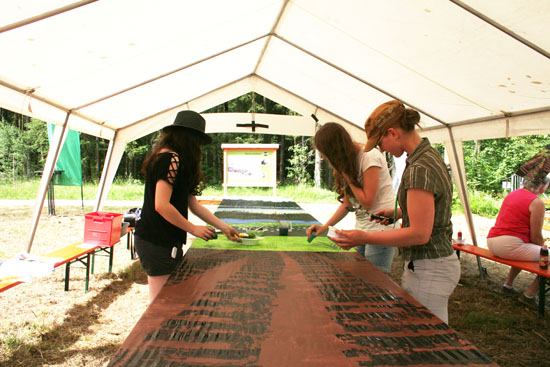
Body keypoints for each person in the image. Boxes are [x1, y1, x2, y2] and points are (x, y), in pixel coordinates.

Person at [331, 100, 460, 324]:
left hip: (430, 267)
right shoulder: (425, 157)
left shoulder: (420, 168)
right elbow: (432, 207)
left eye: (381, 141)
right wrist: (399, 213)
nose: (381, 148)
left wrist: (364, 236)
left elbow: (420, 234)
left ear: (393, 133)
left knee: (427, 340)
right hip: (430, 264)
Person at [134, 110, 240, 302]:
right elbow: (161, 205)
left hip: (162, 240)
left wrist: (223, 227)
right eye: (197, 141)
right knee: (162, 302)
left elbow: (193, 204)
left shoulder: (173, 160)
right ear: (189, 139)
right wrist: (193, 228)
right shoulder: (170, 159)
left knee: (170, 298)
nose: (199, 147)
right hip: (155, 240)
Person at [306, 122, 396, 273]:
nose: (323, 157)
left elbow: (368, 202)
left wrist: (347, 175)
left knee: (375, 280)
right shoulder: (348, 161)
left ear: (335, 149)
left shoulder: (369, 156)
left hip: (381, 230)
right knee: (359, 275)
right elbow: (347, 204)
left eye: (325, 153)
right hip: (362, 230)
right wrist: (324, 227)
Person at [487, 176, 549, 302]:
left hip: (492, 241)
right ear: (542, 187)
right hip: (508, 245)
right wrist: (544, 248)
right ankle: (529, 295)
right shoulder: (536, 202)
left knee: (524, 248)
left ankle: (508, 285)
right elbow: (536, 237)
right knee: (545, 256)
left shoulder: (513, 194)